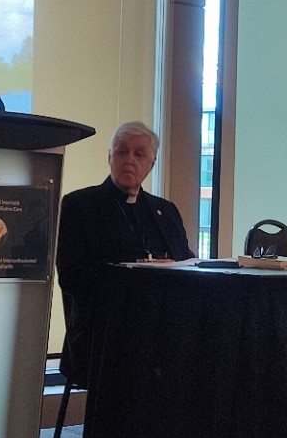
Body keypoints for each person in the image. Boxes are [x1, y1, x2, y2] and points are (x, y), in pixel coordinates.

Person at [56, 121, 195, 384]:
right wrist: (136, 278)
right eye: (122, 152)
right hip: (104, 331)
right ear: (110, 157)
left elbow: (185, 262)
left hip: (160, 327)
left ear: (151, 164)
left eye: (139, 154)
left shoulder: (165, 211)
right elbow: (71, 276)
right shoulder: (80, 206)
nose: (129, 159)